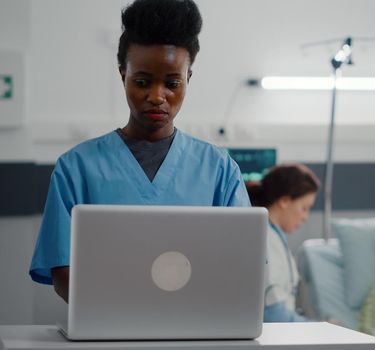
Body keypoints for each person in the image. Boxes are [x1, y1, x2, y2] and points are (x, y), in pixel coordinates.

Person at [29, 0, 250, 303]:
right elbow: (63, 271)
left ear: (188, 79)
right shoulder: (76, 168)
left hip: (197, 330)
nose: (157, 96)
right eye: (142, 82)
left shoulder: (220, 171)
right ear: (123, 75)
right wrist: (123, 317)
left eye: (172, 83)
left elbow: (242, 265)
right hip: (107, 332)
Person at [246, 164, 320, 322]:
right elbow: (271, 313)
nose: (305, 217)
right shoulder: (264, 239)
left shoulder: (273, 236)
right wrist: (313, 328)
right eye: (304, 208)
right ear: (285, 201)